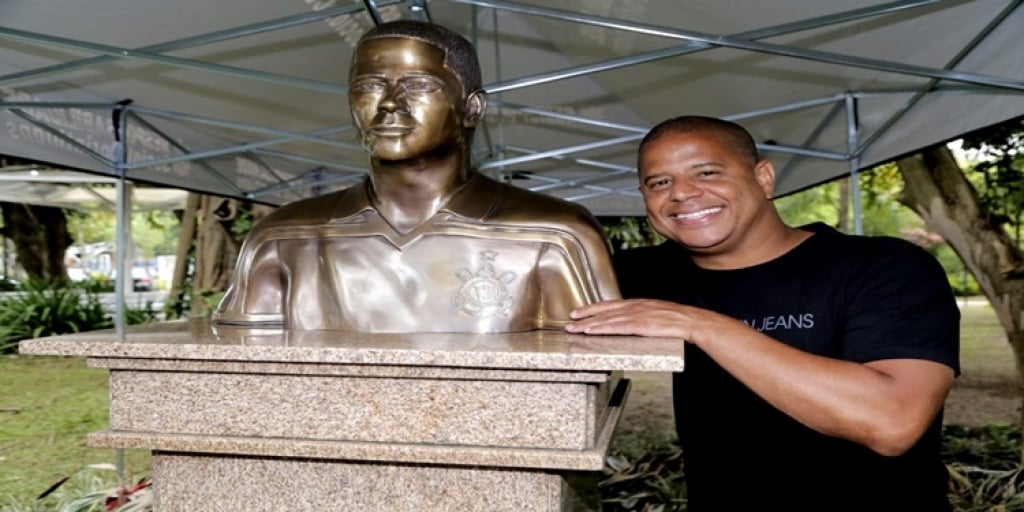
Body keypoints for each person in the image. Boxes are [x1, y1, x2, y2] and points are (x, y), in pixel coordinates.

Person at [566, 116, 959, 510]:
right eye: (659, 183)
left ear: (764, 178)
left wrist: (701, 325)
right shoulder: (639, 274)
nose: (682, 193)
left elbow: (893, 422)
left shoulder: (882, 268)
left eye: (706, 171)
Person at [213, 20, 619, 332]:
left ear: (472, 108)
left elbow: (584, 381)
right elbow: (247, 372)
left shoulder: (557, 233)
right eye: (370, 85)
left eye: (418, 85)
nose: (389, 103)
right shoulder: (283, 236)